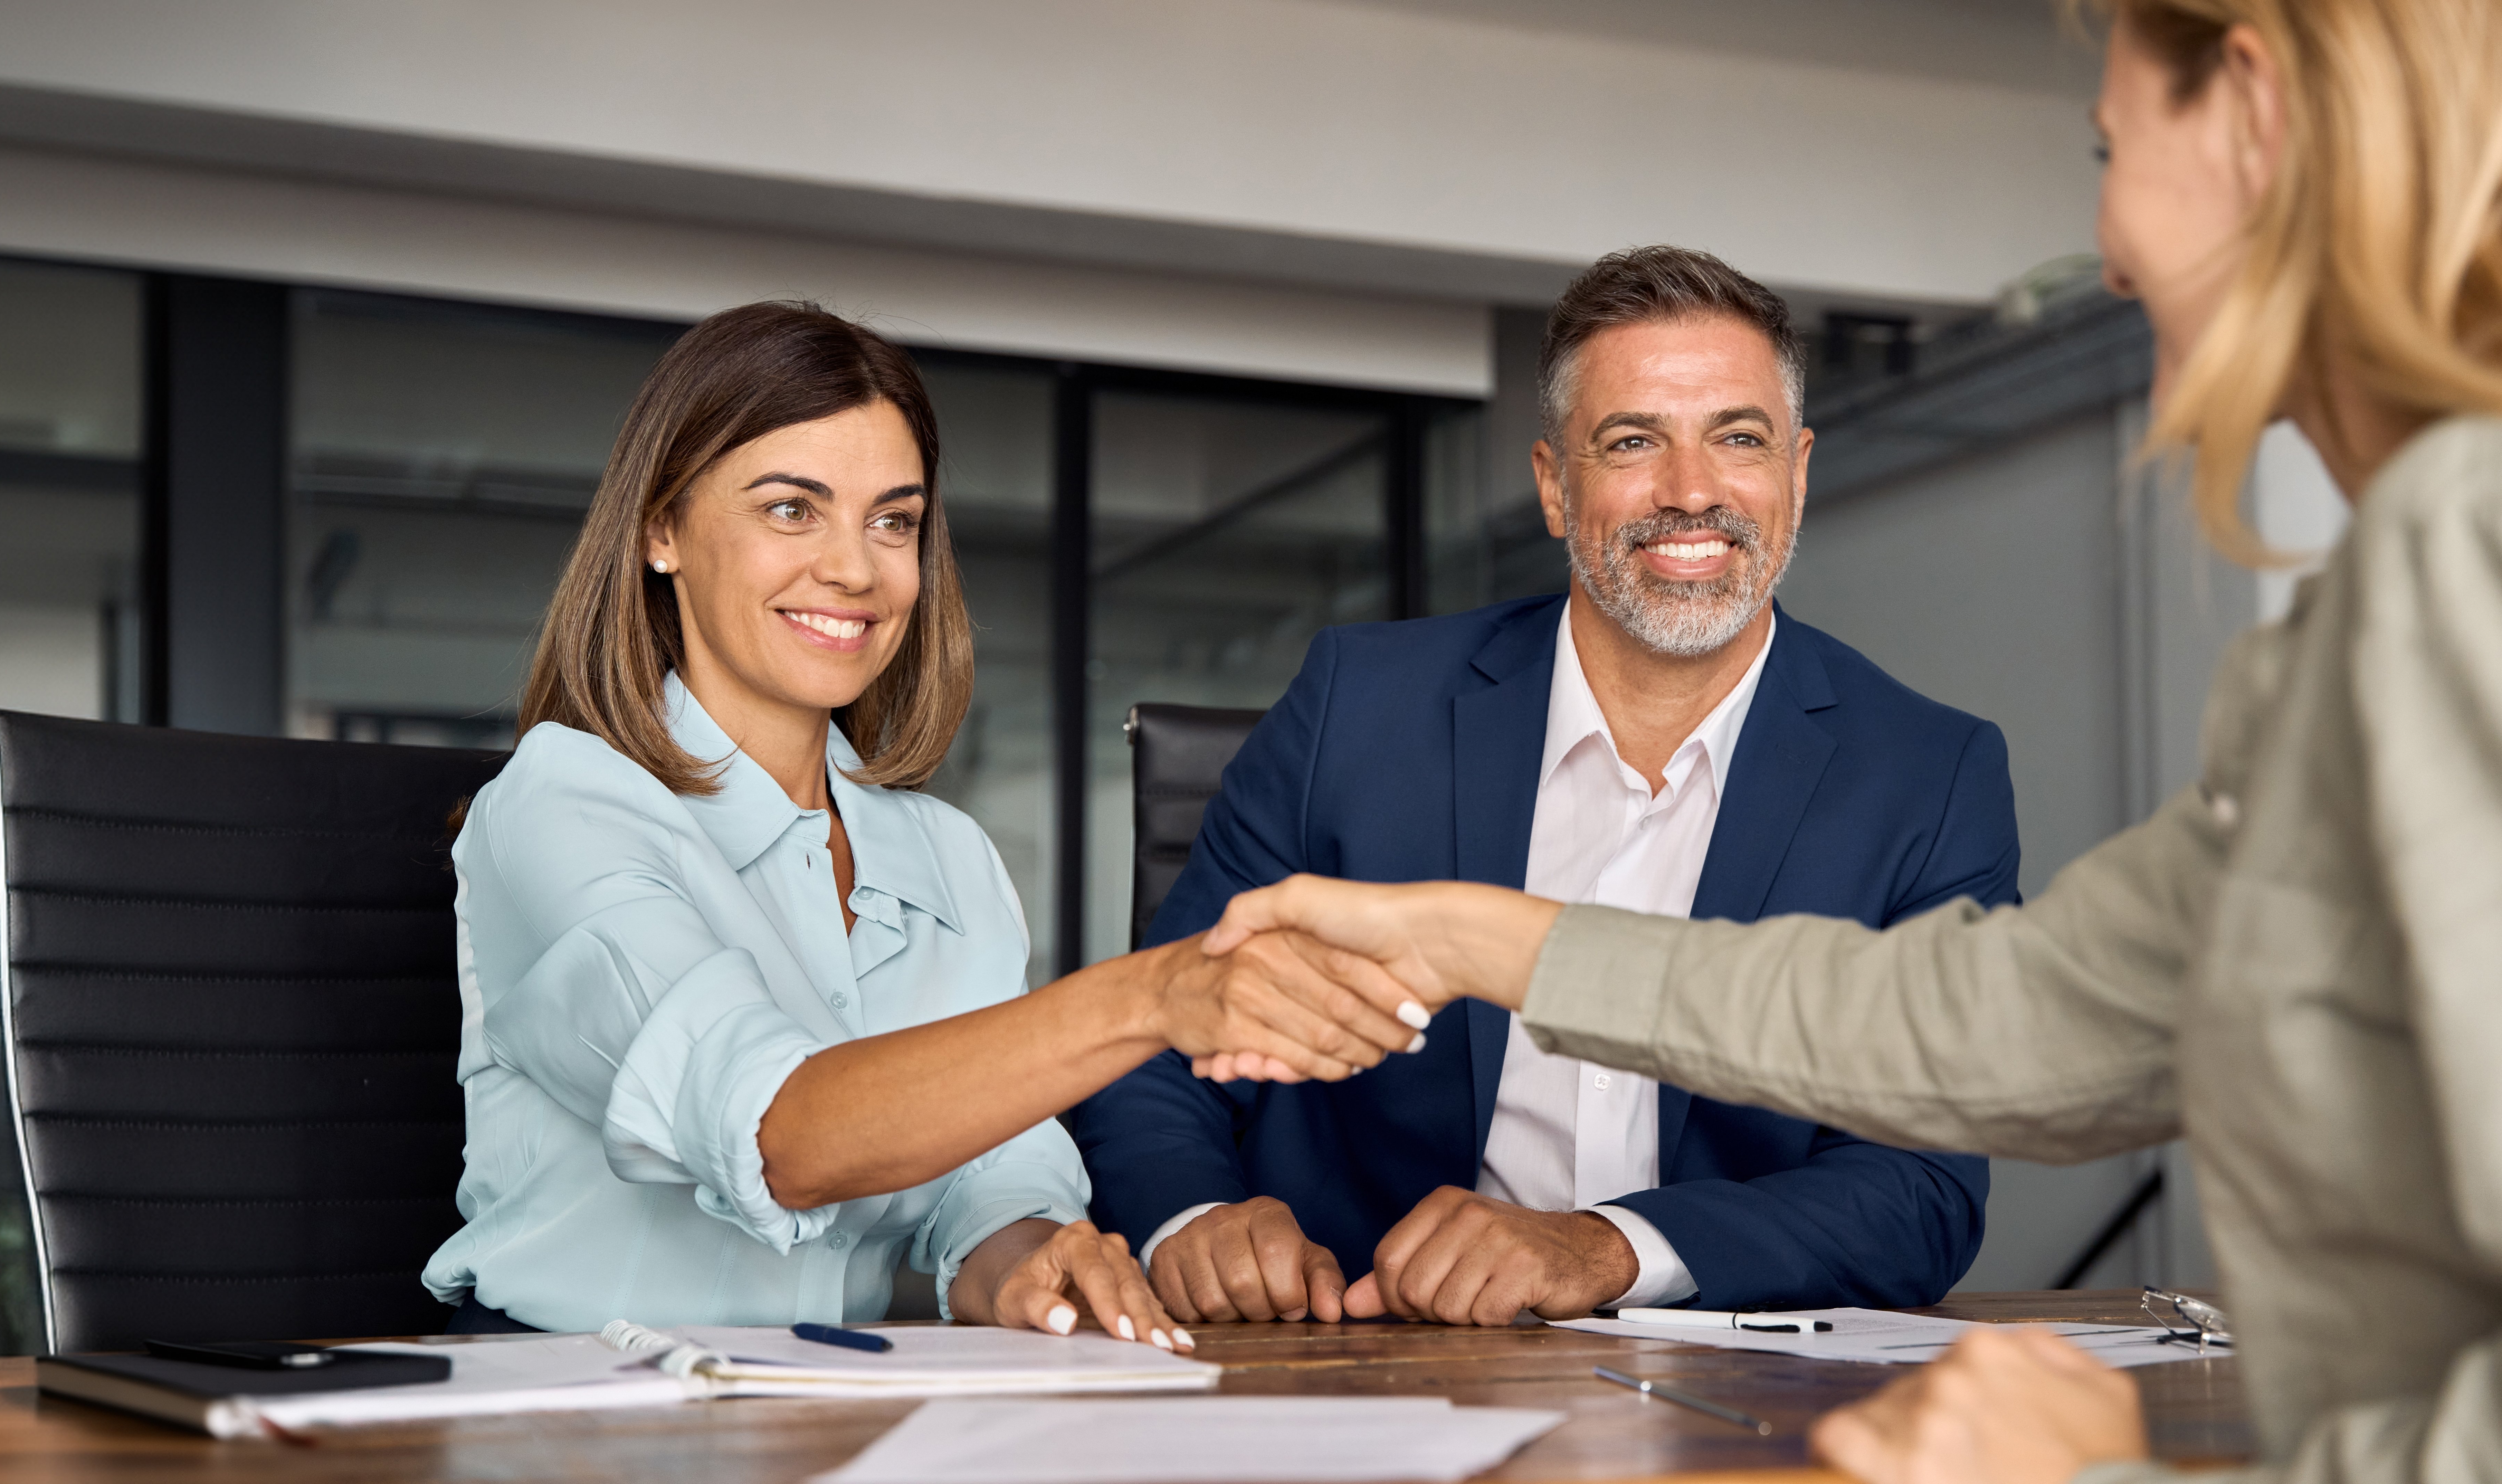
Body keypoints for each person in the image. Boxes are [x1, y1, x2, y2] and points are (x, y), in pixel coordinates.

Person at [1196, 0, 2502, 1478]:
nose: (2108, 244)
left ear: (2254, 117)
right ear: (1553, 482)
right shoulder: (2379, 603)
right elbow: (2020, 1023)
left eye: (2106, 150)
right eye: (1633, 442)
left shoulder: (2464, 557)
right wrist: (1481, 942)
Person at [421, 302, 1418, 1344]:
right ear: (660, 530)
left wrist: (1032, 1259)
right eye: (791, 509)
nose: (856, 569)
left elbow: (991, 1181)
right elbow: (779, 1133)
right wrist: (1155, 998)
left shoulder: (948, 857)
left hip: (831, 1404)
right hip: (578, 1409)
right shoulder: (561, 804)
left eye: (893, 521)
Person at [1074, 247, 2010, 1329]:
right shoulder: (1357, 705)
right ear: (1556, 488)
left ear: (1798, 474)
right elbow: (1153, 1036)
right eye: (1632, 443)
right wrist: (1197, 1217)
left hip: (1725, 1396)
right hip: (1362, 1365)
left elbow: (1923, 1184)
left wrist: (1610, 1248)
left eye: (1738, 439)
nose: (1692, 493)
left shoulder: (1930, 775)